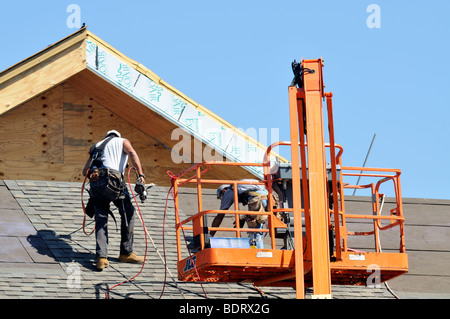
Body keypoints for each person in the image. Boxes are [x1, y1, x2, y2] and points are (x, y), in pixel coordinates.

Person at [82, 130, 146, 270]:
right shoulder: (122, 141)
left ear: (106, 137)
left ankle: (101, 258)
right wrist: (141, 175)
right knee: (128, 212)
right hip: (113, 181)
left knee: (101, 218)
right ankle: (126, 253)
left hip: (95, 184)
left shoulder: (96, 146)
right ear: (117, 136)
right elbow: (132, 153)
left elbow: (85, 171)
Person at [210, 179, 269, 248]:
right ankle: (258, 247)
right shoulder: (240, 187)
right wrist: (243, 218)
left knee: (254, 226)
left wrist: (210, 236)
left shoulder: (229, 191)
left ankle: (258, 250)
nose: (223, 200)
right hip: (266, 196)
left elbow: (220, 216)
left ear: (223, 191)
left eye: (221, 198)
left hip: (256, 198)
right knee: (259, 222)